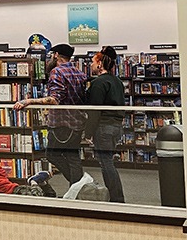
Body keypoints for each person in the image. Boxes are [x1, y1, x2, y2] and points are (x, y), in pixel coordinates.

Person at [14, 43, 94, 198]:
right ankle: (78, 189)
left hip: (61, 122)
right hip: (77, 121)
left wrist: (29, 101)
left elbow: (54, 100)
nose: (50, 58)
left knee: (52, 154)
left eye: (51, 55)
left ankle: (79, 184)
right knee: (73, 156)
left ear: (56, 55)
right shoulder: (80, 72)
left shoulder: (57, 72)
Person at [83, 47, 126, 202]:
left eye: (93, 62)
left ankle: (117, 198)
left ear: (100, 63)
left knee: (106, 162)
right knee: (108, 160)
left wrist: (88, 133)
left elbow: (94, 111)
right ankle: (116, 197)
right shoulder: (117, 81)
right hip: (116, 125)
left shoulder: (99, 83)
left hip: (104, 126)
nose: (91, 65)